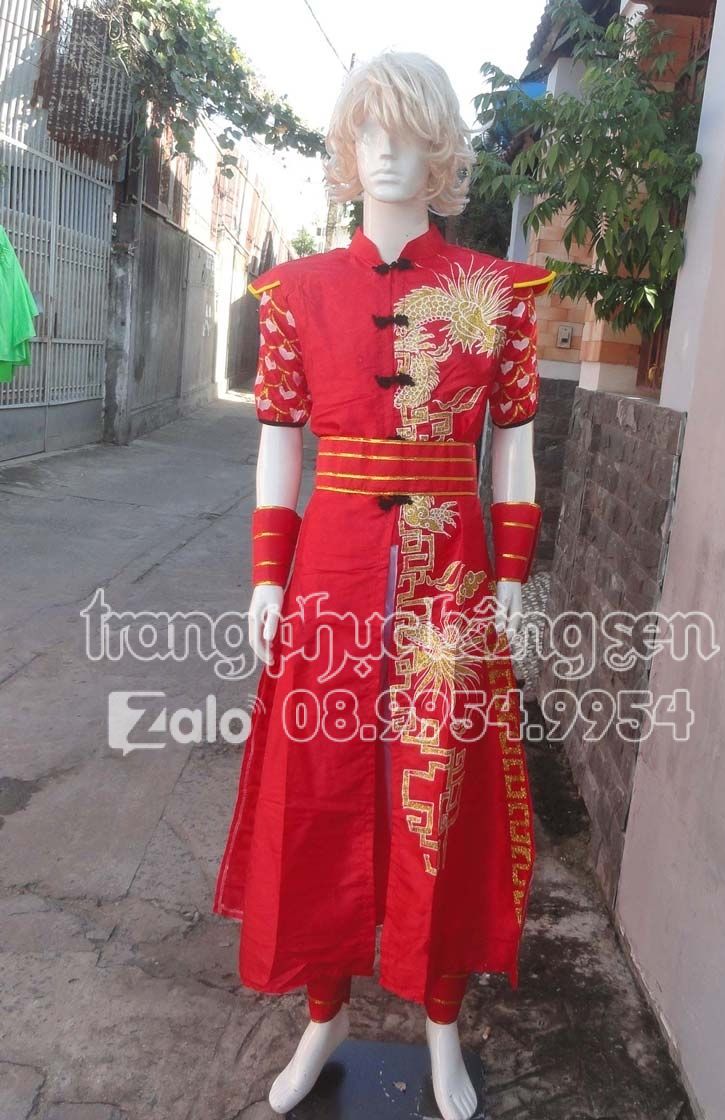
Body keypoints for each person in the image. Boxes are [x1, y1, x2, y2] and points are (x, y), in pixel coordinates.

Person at [213, 51, 554, 1120]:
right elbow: (277, 442)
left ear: (441, 149)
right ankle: (323, 1015)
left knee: (440, 793)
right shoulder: (295, 294)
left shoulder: (498, 295)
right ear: (346, 148)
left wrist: (511, 577)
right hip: (330, 576)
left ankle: (442, 1026)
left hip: (450, 582)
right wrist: (267, 578)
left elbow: (514, 448)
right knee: (319, 788)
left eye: (408, 132)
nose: (387, 151)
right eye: (368, 131)